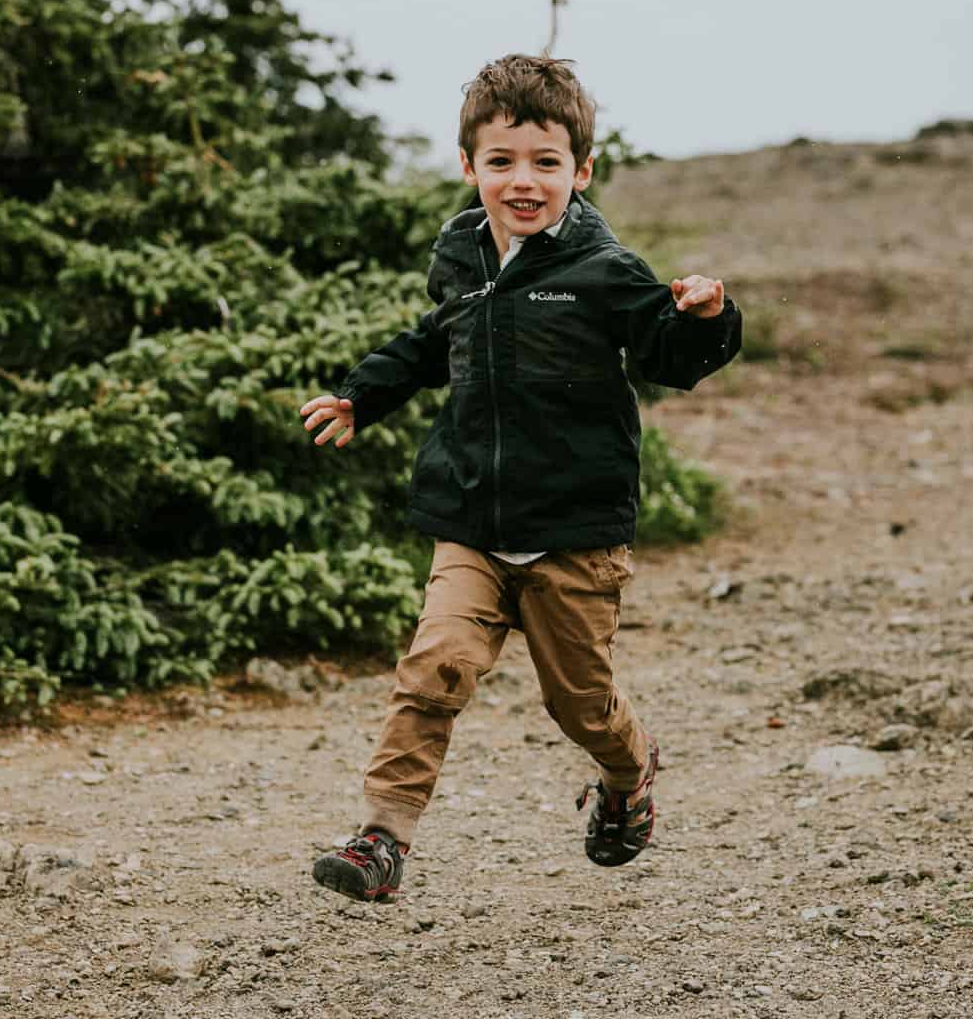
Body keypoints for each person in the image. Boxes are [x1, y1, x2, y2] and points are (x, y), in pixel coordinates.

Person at [299, 54, 741, 903]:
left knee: (579, 704)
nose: (523, 181)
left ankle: (627, 770)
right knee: (435, 667)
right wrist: (362, 394)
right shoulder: (462, 257)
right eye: (500, 162)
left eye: (545, 163)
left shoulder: (603, 270)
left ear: (581, 170)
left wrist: (706, 318)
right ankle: (380, 840)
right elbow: (434, 342)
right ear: (469, 167)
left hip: (574, 534)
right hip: (471, 518)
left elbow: (665, 351)